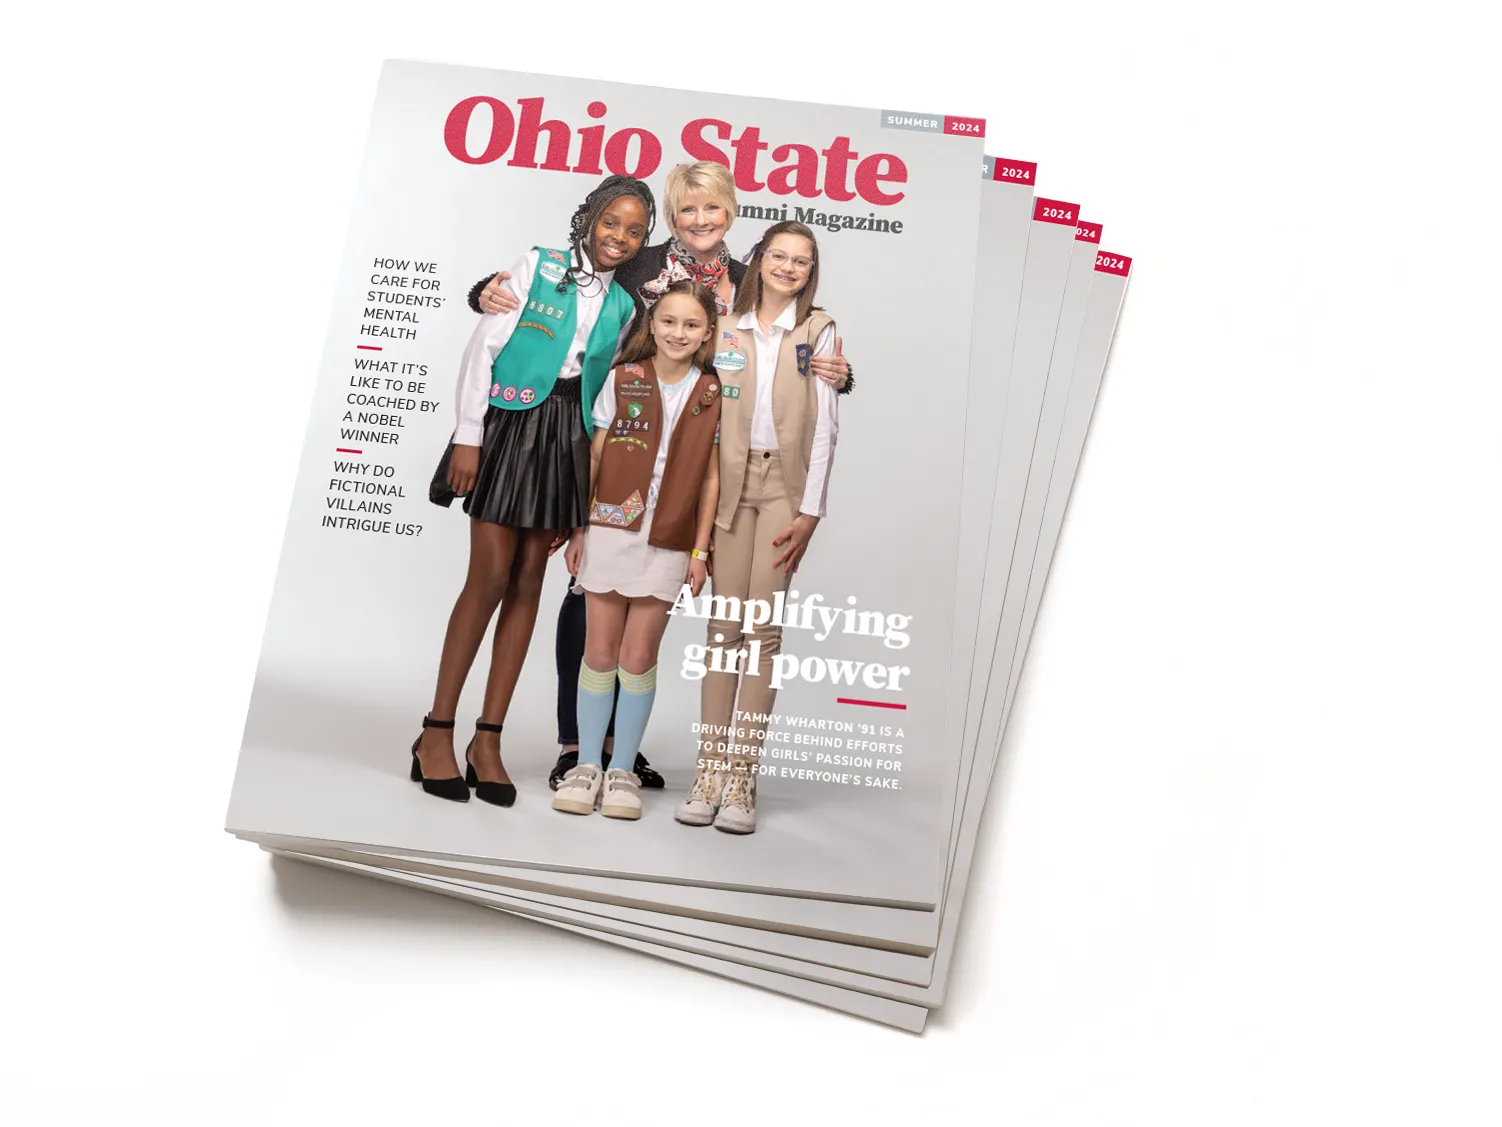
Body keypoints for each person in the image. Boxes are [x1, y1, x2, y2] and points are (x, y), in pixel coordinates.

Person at [468, 163, 854, 792]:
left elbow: (787, 350)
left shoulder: (745, 280)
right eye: (687, 211)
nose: (700, 221)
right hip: (608, 430)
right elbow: (574, 280)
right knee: (587, 594)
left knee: (651, 600)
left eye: (713, 209)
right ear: (672, 217)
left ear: (730, 212)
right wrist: (485, 289)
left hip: (696, 447)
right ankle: (578, 743)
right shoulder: (637, 262)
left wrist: (839, 374)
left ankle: (623, 751)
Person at [408, 174, 656, 806]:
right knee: (487, 578)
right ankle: (435, 730)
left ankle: (486, 739)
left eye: (633, 230)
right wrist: (469, 435)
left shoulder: (627, 308)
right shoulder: (536, 265)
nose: (619, 238)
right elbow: (483, 348)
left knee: (527, 584)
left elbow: (601, 392)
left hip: (565, 440)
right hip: (509, 424)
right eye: (611, 223)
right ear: (589, 218)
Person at [674, 221, 841, 835]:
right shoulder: (722, 325)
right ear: (759, 259)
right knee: (722, 628)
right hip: (728, 485)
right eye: (778, 256)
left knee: (760, 631)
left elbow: (826, 425)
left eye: (801, 260)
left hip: (783, 490)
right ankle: (709, 770)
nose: (788, 268)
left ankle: (742, 777)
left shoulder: (818, 330)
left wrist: (810, 511)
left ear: (810, 270)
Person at [553, 280, 722, 819]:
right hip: (611, 525)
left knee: (638, 656)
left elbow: (714, 478)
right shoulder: (624, 379)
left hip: (671, 536)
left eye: (691, 325)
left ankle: (622, 770)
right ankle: (586, 768)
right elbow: (598, 453)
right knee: (599, 653)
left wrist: (700, 552)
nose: (678, 332)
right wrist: (580, 528)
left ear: (707, 334)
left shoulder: (714, 393)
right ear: (652, 324)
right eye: (669, 321)